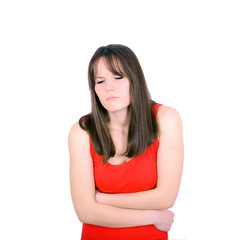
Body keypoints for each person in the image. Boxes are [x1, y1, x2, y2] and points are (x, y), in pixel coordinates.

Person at [68, 44, 184, 240]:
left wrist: (100, 199)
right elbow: (85, 212)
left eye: (118, 77)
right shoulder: (82, 131)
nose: (109, 87)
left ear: (135, 79)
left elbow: (166, 196)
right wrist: (153, 215)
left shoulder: (166, 119)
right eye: (100, 81)